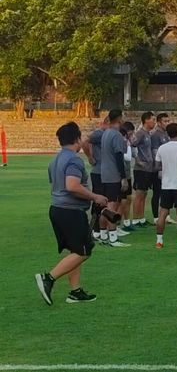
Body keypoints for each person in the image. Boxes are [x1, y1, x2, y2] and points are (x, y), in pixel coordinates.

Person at [35, 122, 108, 305]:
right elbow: (72, 186)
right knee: (84, 251)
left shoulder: (55, 160)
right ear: (77, 139)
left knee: (75, 250)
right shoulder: (74, 160)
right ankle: (48, 278)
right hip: (71, 211)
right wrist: (95, 197)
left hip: (57, 209)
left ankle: (75, 291)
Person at [99, 109, 130, 247]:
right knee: (112, 205)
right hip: (113, 175)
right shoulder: (116, 135)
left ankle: (103, 234)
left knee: (105, 205)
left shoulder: (105, 133)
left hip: (104, 173)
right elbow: (118, 157)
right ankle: (112, 237)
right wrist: (123, 177)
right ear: (119, 118)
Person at [83, 117, 107, 240]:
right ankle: (94, 229)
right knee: (98, 200)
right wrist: (90, 157)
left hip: (105, 172)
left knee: (103, 200)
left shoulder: (105, 134)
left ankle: (100, 228)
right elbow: (85, 141)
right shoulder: (99, 133)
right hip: (98, 172)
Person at [131, 112, 157, 227]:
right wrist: (137, 160)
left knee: (144, 193)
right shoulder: (140, 133)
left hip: (148, 169)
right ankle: (136, 219)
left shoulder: (148, 134)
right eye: (153, 119)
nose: (154, 122)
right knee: (139, 194)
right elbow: (131, 145)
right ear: (146, 120)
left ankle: (141, 218)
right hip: (141, 169)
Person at [151, 113, 170, 223]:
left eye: (168, 121)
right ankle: (155, 217)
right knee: (157, 192)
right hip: (159, 169)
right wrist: (159, 168)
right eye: (164, 121)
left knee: (166, 192)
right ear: (159, 122)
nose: (167, 123)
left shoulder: (166, 135)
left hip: (167, 168)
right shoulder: (155, 135)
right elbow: (155, 153)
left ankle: (166, 215)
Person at [119, 122, 136, 232]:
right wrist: (129, 145)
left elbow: (134, 154)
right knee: (122, 200)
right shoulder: (122, 141)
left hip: (127, 174)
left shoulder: (128, 141)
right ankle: (116, 225)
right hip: (122, 175)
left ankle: (126, 221)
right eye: (131, 133)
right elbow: (128, 157)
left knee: (128, 199)